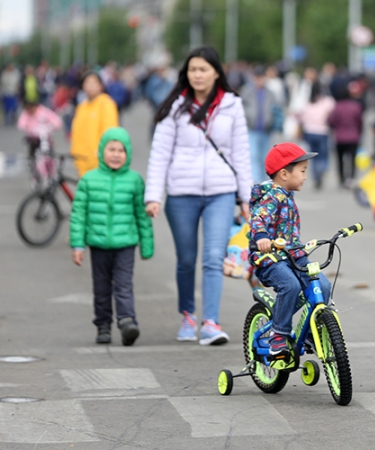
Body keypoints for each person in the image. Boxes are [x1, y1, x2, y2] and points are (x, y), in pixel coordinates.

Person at [144, 46, 252, 345]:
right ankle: (188, 315)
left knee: (214, 257)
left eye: (203, 69)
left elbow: (242, 154)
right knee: (186, 260)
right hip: (181, 194)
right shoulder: (175, 107)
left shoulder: (232, 105)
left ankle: (210, 323)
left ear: (216, 72)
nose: (198, 75)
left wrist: (246, 198)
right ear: (186, 74)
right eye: (192, 70)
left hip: (221, 192)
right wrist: (154, 195)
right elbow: (159, 154)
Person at [70, 127, 153, 346]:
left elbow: (141, 215)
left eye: (121, 150)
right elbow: (79, 214)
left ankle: (127, 322)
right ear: (101, 151)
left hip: (125, 244)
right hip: (98, 244)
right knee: (101, 287)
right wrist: (77, 245)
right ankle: (103, 325)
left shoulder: (134, 181)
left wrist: (147, 245)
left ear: (128, 155)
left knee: (124, 285)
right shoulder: (88, 180)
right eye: (111, 149)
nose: (116, 154)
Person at [250, 143, 332, 361]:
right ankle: (278, 335)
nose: (306, 176)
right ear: (284, 174)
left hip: (294, 255)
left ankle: (311, 332)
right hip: (270, 259)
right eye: (303, 171)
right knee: (291, 285)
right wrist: (262, 237)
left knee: (322, 284)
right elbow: (258, 218)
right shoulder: (272, 197)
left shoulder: (286, 194)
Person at [70, 72, 120, 176]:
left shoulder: (106, 104)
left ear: (100, 85)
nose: (91, 86)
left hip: (98, 160)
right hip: (82, 159)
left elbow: (110, 132)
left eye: (94, 83)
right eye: (88, 83)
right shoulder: (82, 106)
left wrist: (104, 152)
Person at [241, 66, 279, 183]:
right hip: (252, 128)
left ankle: (263, 178)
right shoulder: (246, 91)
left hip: (266, 129)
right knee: (254, 154)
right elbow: (241, 107)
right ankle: (256, 179)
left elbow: (275, 108)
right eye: (257, 77)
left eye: (261, 77)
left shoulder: (270, 93)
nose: (259, 80)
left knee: (264, 156)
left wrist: (272, 120)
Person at [298, 82, 335, 189]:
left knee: (313, 156)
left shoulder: (307, 103)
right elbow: (333, 111)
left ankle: (316, 177)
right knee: (323, 155)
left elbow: (301, 117)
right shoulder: (327, 102)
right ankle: (322, 169)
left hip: (309, 131)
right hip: (322, 131)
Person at [328, 89, 364, 188]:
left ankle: (342, 178)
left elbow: (331, 121)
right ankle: (351, 177)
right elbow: (360, 121)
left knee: (340, 159)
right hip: (353, 137)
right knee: (352, 158)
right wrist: (359, 132)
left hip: (340, 137)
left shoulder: (337, 107)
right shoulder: (356, 106)